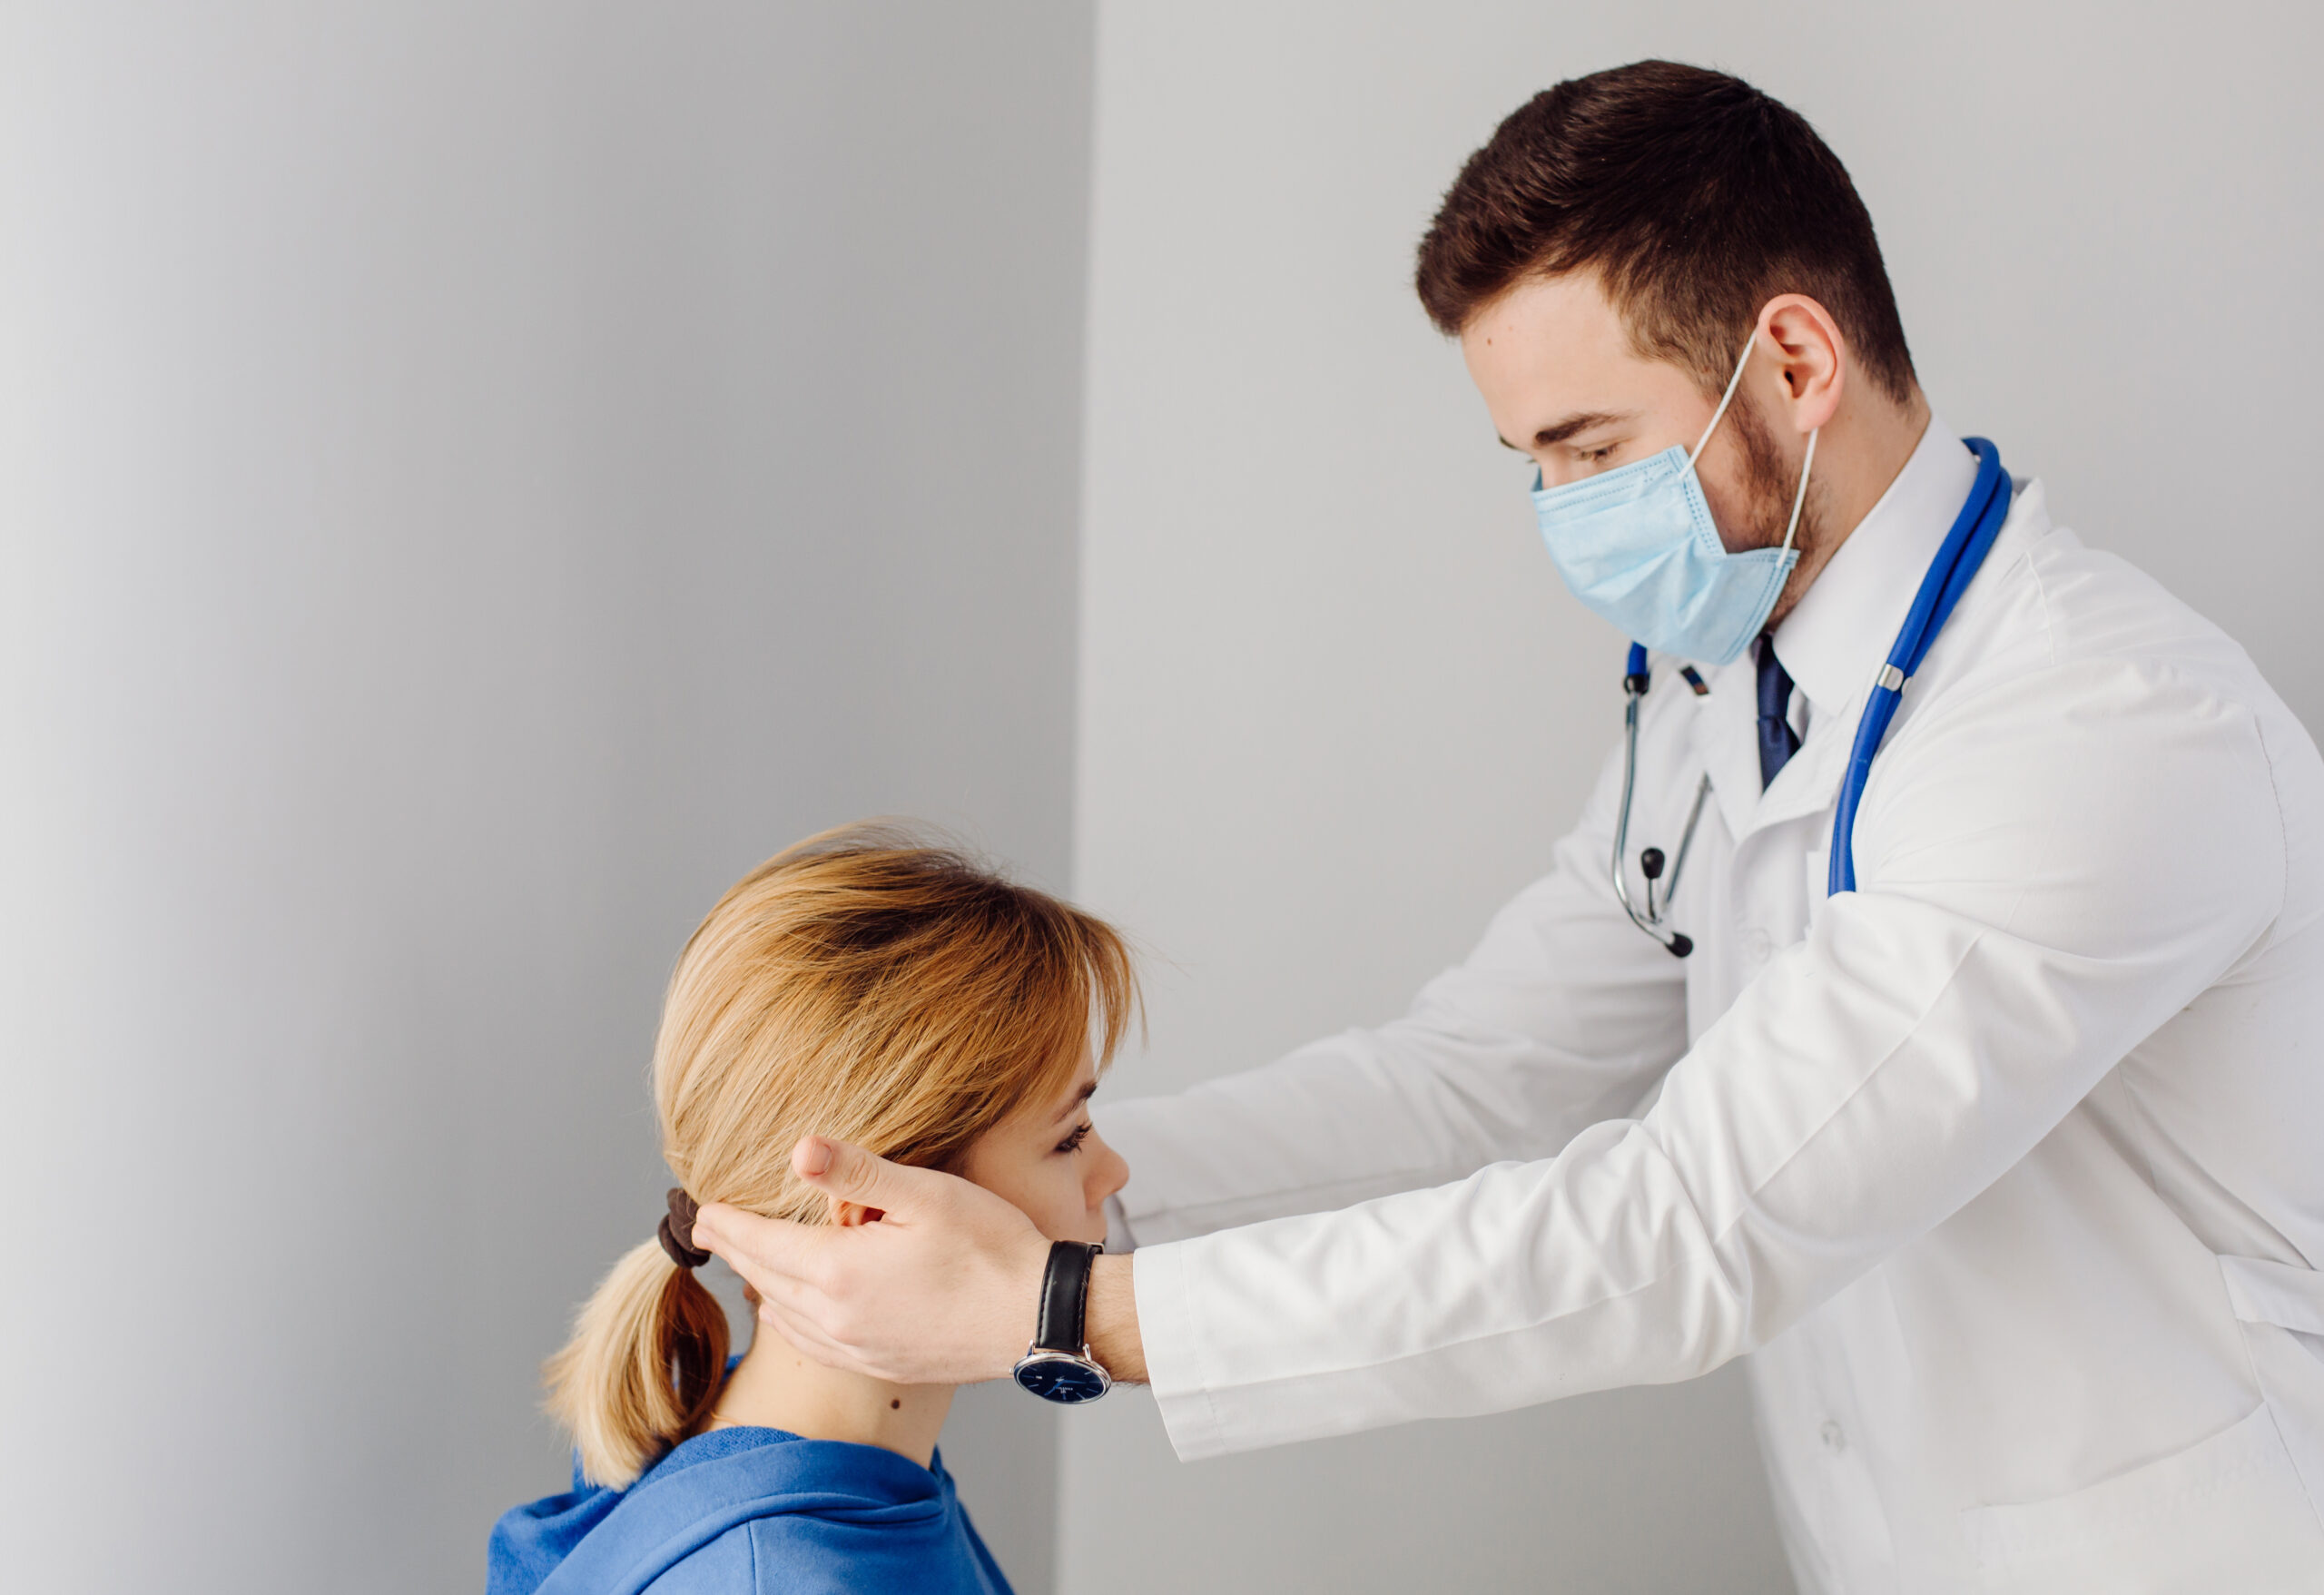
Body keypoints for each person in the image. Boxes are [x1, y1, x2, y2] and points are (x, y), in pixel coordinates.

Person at [688, 61, 2324, 1592]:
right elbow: (1470, 1079)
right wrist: (1030, 1190)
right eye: (1530, 462)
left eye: (1590, 449)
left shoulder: (2097, 727)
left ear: (1797, 363)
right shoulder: (1722, 702)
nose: (1561, 514)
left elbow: (1694, 1224)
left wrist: (1064, 1304)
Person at [487, 823, 1137, 1595]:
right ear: (874, 1216)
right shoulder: (779, 1574)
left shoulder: (863, 1479)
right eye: (1070, 1138)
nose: (1115, 1171)